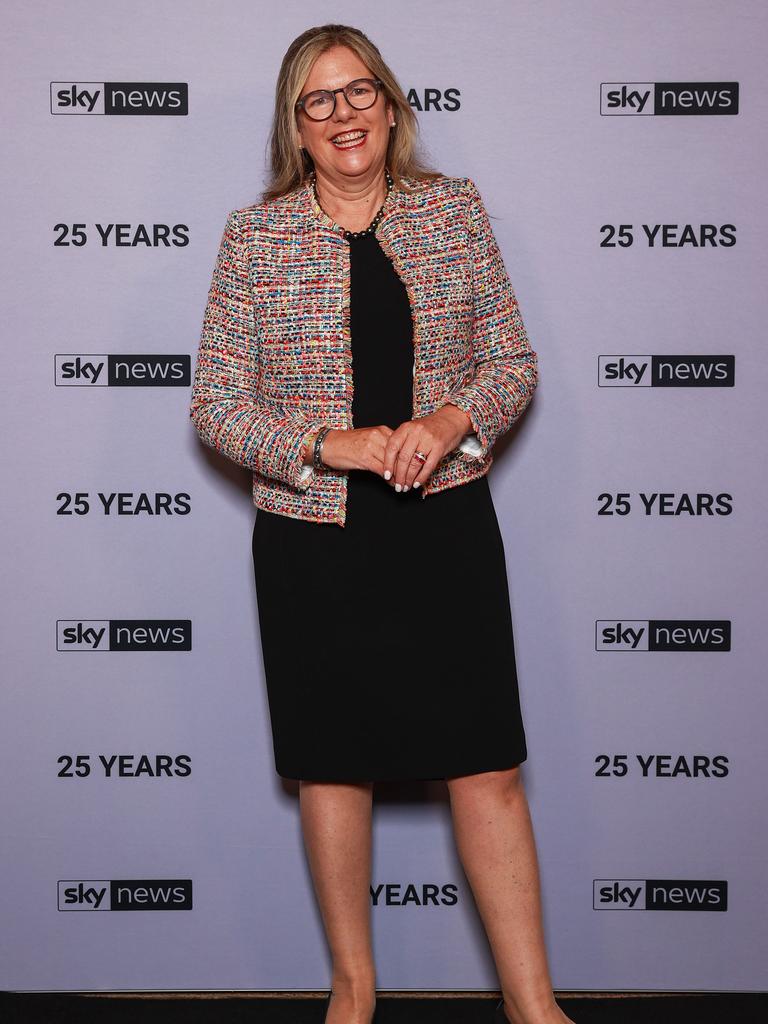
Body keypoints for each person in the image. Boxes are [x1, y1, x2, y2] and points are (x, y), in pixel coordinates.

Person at [189, 22, 575, 1024]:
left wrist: (450, 421)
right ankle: (352, 993)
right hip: (317, 539)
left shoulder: (454, 212)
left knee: (485, 762)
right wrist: (336, 443)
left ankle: (535, 1005)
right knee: (335, 762)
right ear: (296, 127)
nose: (343, 112)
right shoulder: (255, 237)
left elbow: (514, 365)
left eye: (360, 91)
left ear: (393, 106)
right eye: (319, 100)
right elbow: (218, 406)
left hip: (442, 527)